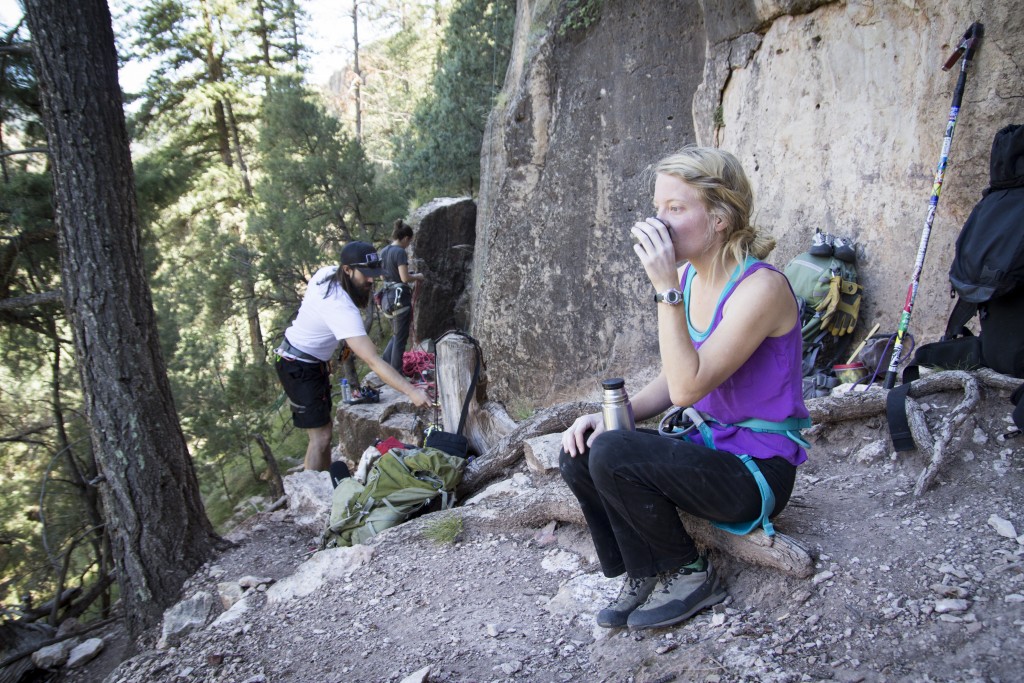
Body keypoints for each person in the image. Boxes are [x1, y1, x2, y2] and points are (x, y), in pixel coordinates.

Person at [559, 146, 810, 631]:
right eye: (659, 209)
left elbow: (689, 388)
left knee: (612, 452)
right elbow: (676, 380)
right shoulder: (693, 277)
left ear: (719, 218)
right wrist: (616, 415)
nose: (661, 223)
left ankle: (689, 573)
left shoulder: (761, 288)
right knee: (585, 447)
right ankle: (644, 571)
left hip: (756, 472)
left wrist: (665, 290)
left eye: (676, 209)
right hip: (707, 449)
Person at [275, 241, 432, 472]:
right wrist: (412, 392)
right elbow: (373, 360)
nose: (371, 280)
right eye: (366, 275)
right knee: (320, 437)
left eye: (374, 274)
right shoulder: (341, 307)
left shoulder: (327, 273)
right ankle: (313, 492)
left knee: (325, 431)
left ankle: (329, 484)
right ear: (347, 270)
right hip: (298, 366)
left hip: (307, 362)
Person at [379, 220, 426, 374]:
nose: (409, 244)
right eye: (409, 241)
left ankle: (385, 362)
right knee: (400, 339)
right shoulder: (399, 252)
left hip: (386, 298)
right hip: (399, 299)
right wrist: (418, 276)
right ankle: (396, 374)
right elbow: (404, 278)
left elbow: (382, 275)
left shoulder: (384, 251)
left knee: (396, 334)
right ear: (405, 238)